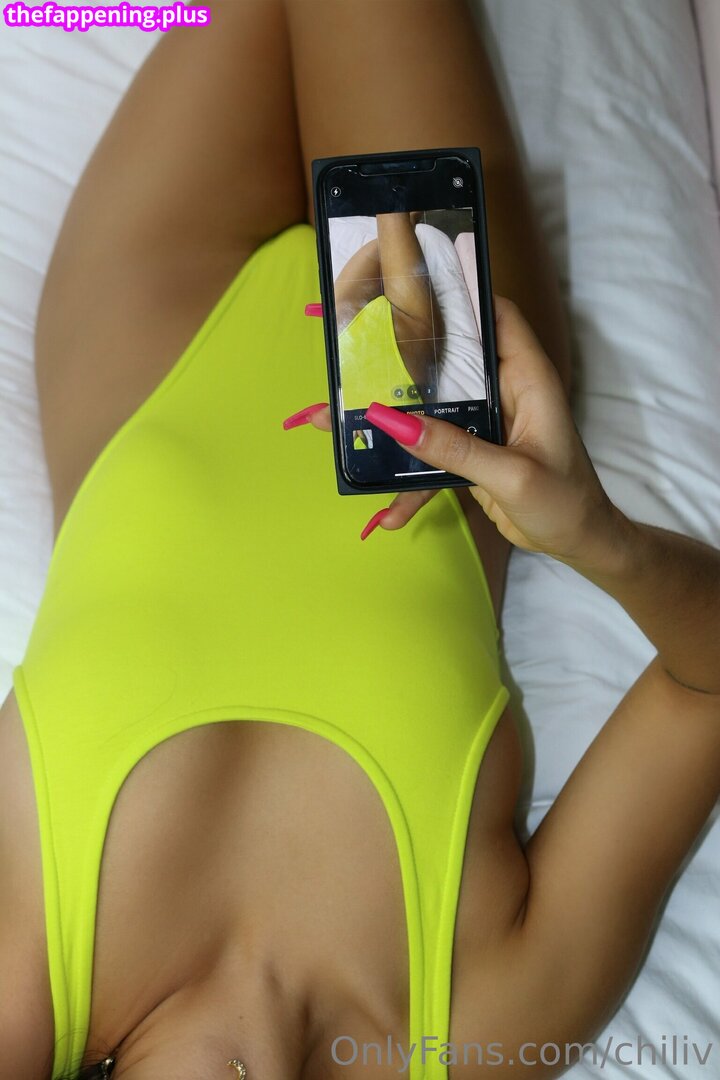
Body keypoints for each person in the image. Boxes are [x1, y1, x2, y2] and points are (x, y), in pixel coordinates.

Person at [1, 2, 719, 1079]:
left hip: (153, 332)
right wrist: (593, 535)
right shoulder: (477, 1027)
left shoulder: (20, 995)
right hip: (437, 361)